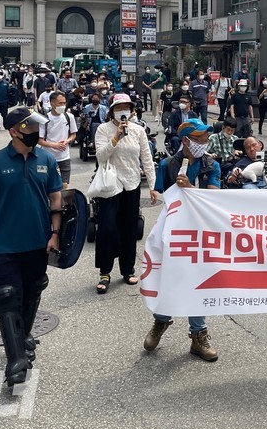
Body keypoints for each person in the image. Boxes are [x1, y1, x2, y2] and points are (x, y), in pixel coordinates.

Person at [0, 107, 62, 387]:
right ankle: (16, 360)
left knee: (32, 292)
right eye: (29, 128)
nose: (35, 133)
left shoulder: (47, 159)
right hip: (5, 244)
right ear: (14, 131)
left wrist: (55, 235)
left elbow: (56, 199)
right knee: (7, 296)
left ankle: (22, 336)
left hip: (38, 242)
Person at [146, 119, 219, 362]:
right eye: (199, 139)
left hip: (201, 232)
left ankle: (199, 335)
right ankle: (161, 322)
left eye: (205, 139)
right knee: (171, 278)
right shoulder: (168, 165)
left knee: (198, 281)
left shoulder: (212, 165)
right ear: (186, 141)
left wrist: (191, 190)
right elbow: (160, 194)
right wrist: (157, 193)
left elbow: (216, 198)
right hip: (175, 232)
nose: (204, 143)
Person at [93, 94, 157, 293]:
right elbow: (101, 156)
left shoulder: (138, 131)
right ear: (112, 111)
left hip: (132, 183)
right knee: (106, 228)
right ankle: (104, 272)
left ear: (132, 111)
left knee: (129, 227)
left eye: (126, 107)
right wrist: (116, 137)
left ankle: (128, 269)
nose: (123, 111)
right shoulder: (103, 130)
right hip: (111, 185)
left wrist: (152, 185)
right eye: (118, 107)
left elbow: (146, 157)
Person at [39, 91, 77, 189]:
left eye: (64, 103)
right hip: (48, 157)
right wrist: (54, 145)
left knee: (64, 185)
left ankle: (62, 204)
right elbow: (39, 140)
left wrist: (67, 141)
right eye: (60, 103)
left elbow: (73, 134)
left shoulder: (69, 117)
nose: (63, 105)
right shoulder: (44, 119)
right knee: (48, 186)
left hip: (64, 157)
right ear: (52, 104)